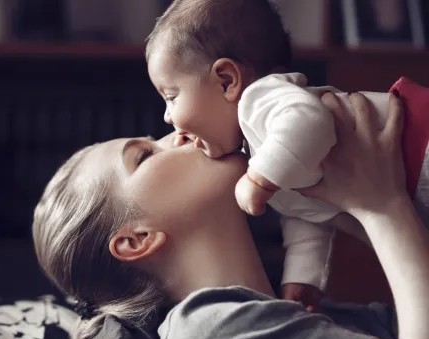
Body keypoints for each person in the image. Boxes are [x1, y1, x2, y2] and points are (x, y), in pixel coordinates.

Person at [33, 91, 429, 339]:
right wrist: (383, 206)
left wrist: (356, 203)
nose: (180, 133)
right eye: (145, 155)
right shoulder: (208, 334)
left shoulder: (307, 319)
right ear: (136, 240)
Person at [145, 0, 429, 311]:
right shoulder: (269, 151)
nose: (168, 118)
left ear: (227, 81)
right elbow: (308, 214)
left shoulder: (260, 99)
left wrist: (259, 179)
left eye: (171, 97)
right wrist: (303, 276)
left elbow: (309, 119)